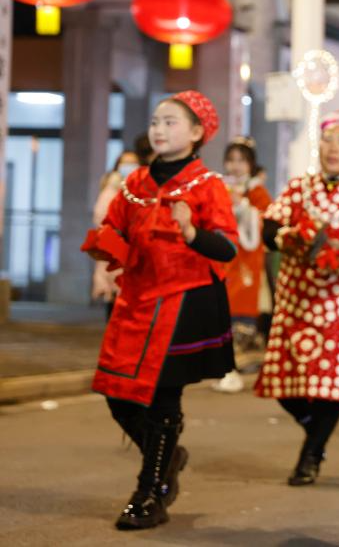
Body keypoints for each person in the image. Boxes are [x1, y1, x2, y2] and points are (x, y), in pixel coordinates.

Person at [84, 91, 237, 530]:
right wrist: (105, 245)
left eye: (170, 122)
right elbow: (114, 227)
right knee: (116, 392)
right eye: (155, 121)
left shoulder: (207, 185)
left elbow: (227, 247)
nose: (159, 129)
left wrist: (190, 232)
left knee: (164, 397)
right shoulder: (133, 183)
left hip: (184, 300)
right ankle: (168, 455)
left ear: (197, 133)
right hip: (135, 299)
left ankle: (150, 493)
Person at [255, 111, 339, 486]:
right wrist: (288, 239)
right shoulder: (299, 187)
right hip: (296, 298)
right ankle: (315, 431)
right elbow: (270, 226)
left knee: (330, 386)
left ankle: (310, 455)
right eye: (328, 140)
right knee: (284, 383)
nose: (334, 148)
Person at [214, 137, 272, 393]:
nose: (235, 166)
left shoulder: (257, 191)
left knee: (239, 314)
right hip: (223, 260)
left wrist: (245, 207)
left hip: (247, 263)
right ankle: (226, 369)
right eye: (231, 160)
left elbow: (267, 221)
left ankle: (235, 369)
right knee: (221, 315)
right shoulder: (219, 188)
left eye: (241, 160)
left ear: (251, 164)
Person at [92, 150, 142, 319]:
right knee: (114, 304)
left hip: (136, 254)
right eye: (125, 163)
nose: (129, 167)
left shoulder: (144, 188)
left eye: (133, 163)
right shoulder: (111, 188)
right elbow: (101, 218)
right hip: (115, 252)